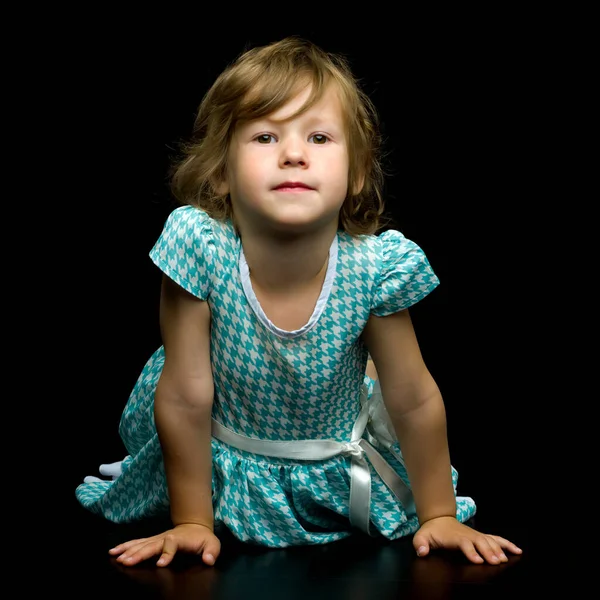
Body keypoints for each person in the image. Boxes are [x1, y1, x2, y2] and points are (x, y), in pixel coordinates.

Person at [76, 36, 522, 568]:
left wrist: (439, 515)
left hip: (327, 435)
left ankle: (364, 378)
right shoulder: (201, 247)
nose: (293, 153)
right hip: (225, 432)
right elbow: (185, 396)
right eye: (265, 136)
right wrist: (193, 520)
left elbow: (414, 398)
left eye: (318, 137)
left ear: (355, 173)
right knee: (189, 393)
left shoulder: (373, 266)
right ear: (221, 172)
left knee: (382, 379)